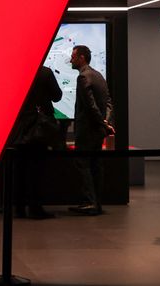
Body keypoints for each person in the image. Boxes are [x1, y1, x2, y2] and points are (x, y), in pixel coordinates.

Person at [10, 64, 63, 219]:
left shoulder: (18, 71)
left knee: (19, 171)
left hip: (19, 128)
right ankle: (35, 208)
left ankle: (19, 208)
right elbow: (57, 96)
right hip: (39, 129)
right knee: (37, 170)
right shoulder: (45, 73)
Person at [68, 45, 113, 216]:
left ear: (81, 57)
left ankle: (89, 202)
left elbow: (89, 106)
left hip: (86, 130)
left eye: (73, 56)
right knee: (96, 166)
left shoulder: (83, 77)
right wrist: (106, 123)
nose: (71, 60)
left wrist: (102, 123)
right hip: (97, 132)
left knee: (83, 165)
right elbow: (108, 102)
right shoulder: (99, 75)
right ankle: (97, 202)